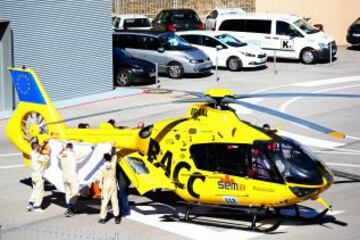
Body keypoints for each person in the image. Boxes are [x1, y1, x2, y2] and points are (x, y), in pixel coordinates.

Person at [57, 142, 92, 217]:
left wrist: (62, 150)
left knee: (68, 192)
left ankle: (69, 208)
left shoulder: (62, 154)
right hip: (72, 176)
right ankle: (70, 208)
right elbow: (82, 155)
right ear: (72, 147)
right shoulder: (73, 153)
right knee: (75, 192)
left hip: (64, 176)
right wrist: (91, 149)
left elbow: (57, 155)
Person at [95, 153, 121, 224]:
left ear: (104, 159)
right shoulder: (113, 165)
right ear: (110, 158)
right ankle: (117, 218)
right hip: (113, 185)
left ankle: (103, 218)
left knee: (104, 202)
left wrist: (96, 184)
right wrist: (113, 148)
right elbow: (115, 158)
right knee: (115, 201)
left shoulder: (102, 168)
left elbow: (98, 179)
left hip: (106, 186)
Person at [27, 140, 50, 212]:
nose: (40, 148)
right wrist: (49, 151)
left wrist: (44, 142)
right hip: (38, 175)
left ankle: (30, 203)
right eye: (39, 147)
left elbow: (37, 147)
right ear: (37, 148)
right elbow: (46, 158)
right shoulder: (37, 155)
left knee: (35, 190)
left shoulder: (31, 153)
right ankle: (37, 206)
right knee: (40, 191)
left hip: (33, 175)